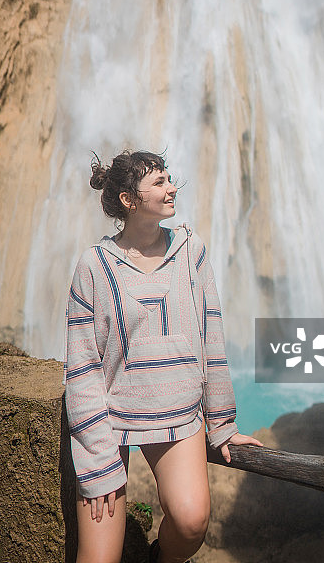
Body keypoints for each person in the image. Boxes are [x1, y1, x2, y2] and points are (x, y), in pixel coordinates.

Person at [64, 150, 262, 563]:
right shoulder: (94, 267)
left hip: (178, 414)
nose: (172, 188)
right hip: (110, 420)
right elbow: (83, 369)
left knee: (191, 522)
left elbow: (212, 338)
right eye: (159, 182)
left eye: (169, 179)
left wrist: (222, 423)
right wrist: (97, 459)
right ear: (128, 200)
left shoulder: (192, 252)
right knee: (98, 558)